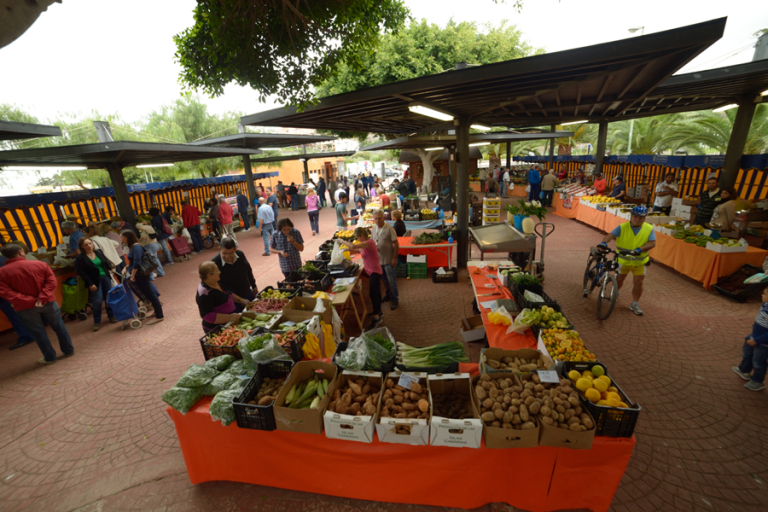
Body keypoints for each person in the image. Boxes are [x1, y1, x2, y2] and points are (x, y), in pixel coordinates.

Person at [0, 244, 75, 364]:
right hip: (48, 302)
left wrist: (30, 301)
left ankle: (50, 357)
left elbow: (6, 292)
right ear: (21, 252)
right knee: (59, 327)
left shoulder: (2, 272)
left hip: (24, 307)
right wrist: (42, 297)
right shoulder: (40, 264)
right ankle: (69, 350)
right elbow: (51, 282)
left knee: (38, 333)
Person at [600, 206, 656, 316]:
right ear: (631, 216)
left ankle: (635, 303)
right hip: (623, 261)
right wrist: (604, 242)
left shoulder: (649, 228)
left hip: (639, 262)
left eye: (640, 217)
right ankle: (616, 291)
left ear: (644, 218)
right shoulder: (623, 227)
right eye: (635, 216)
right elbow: (610, 235)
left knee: (639, 283)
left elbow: (652, 243)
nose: (637, 219)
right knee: (619, 280)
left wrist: (640, 249)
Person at [338, 227, 384, 329]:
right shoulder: (365, 244)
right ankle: (378, 312)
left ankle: (376, 317)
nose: (357, 239)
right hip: (372, 271)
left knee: (373, 294)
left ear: (361, 236)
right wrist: (347, 249)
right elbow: (358, 249)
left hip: (375, 271)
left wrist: (342, 241)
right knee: (376, 293)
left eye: (357, 237)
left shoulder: (368, 242)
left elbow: (353, 245)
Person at [121, 230, 164, 325]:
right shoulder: (134, 246)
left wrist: (132, 275)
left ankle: (159, 315)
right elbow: (134, 262)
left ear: (127, 237)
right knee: (149, 294)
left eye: (122, 237)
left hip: (141, 275)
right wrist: (127, 267)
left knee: (151, 295)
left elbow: (137, 261)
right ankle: (156, 312)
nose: (121, 239)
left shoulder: (136, 246)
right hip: (139, 274)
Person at [74, 238, 117, 331]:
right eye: (86, 245)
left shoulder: (98, 252)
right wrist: (90, 283)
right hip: (94, 281)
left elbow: (105, 261)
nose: (89, 246)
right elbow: (81, 272)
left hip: (105, 277)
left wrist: (111, 268)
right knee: (97, 301)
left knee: (109, 297)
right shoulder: (80, 258)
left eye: (90, 243)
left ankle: (111, 315)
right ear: (82, 246)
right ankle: (97, 321)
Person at [733, 286, 768, 392]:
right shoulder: (765, 305)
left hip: (763, 344)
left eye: (765, 294)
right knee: (747, 353)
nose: (762, 295)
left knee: (759, 362)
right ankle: (744, 370)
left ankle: (757, 381)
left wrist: (757, 340)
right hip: (754, 335)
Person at [196, 261, 245, 333]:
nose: (219, 272)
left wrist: (241, 300)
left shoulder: (216, 282)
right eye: (217, 271)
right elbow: (207, 315)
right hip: (217, 329)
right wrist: (229, 317)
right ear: (209, 275)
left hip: (229, 323)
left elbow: (228, 294)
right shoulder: (204, 293)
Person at [0, 253, 36, 351]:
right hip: (11, 292)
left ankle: (26, 335)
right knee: (16, 314)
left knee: (14, 316)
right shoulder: (4, 258)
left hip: (5, 294)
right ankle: (29, 333)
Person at [212, 238, 257, 312]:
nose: (227, 256)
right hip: (232, 302)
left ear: (235, 249)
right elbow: (219, 288)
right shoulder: (215, 263)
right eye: (224, 253)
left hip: (248, 293)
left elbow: (248, 270)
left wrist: (254, 286)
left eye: (231, 253)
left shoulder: (240, 254)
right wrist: (241, 300)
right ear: (219, 249)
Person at [371, 210, 400, 311]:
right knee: (384, 281)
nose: (378, 220)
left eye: (379, 218)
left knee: (391, 281)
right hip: (379, 261)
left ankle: (395, 299)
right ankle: (388, 295)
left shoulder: (389, 228)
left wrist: (394, 257)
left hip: (388, 260)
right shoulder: (373, 228)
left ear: (383, 218)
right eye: (376, 218)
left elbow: (396, 243)